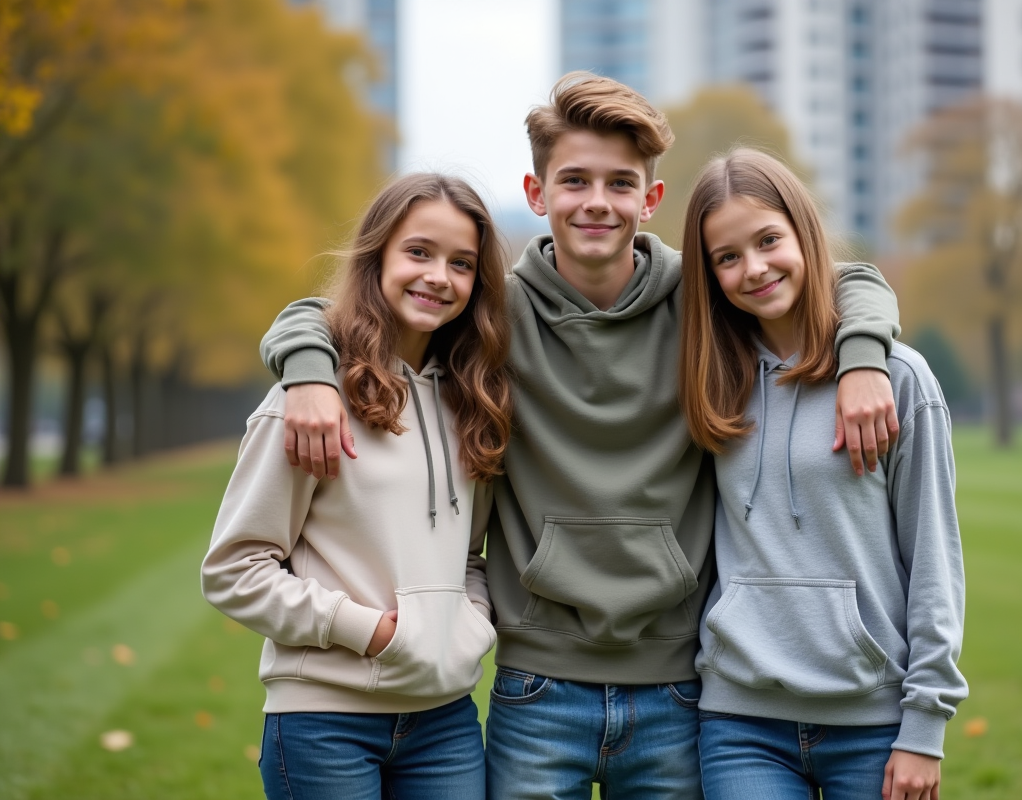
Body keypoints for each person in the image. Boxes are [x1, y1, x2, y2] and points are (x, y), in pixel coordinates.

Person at [257, 73, 902, 799]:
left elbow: (847, 280)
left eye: (620, 183)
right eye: (574, 181)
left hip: (677, 687)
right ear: (537, 194)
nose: (597, 201)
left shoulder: (705, 302)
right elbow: (325, 310)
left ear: (650, 201)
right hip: (539, 687)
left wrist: (864, 360)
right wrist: (310, 371)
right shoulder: (490, 312)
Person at [202, 173, 512, 800]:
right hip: (323, 722)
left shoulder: (474, 404)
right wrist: (366, 631)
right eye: (418, 252)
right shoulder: (310, 401)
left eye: (462, 264)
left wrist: (467, 624)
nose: (438, 277)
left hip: (446, 721)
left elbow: (471, 557)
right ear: (378, 258)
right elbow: (234, 570)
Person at [677, 149, 968, 800]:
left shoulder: (897, 378)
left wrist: (925, 727)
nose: (753, 268)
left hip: (871, 722)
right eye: (727, 257)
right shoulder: (707, 380)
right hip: (740, 722)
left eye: (769, 240)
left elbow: (934, 560)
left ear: (804, 234)